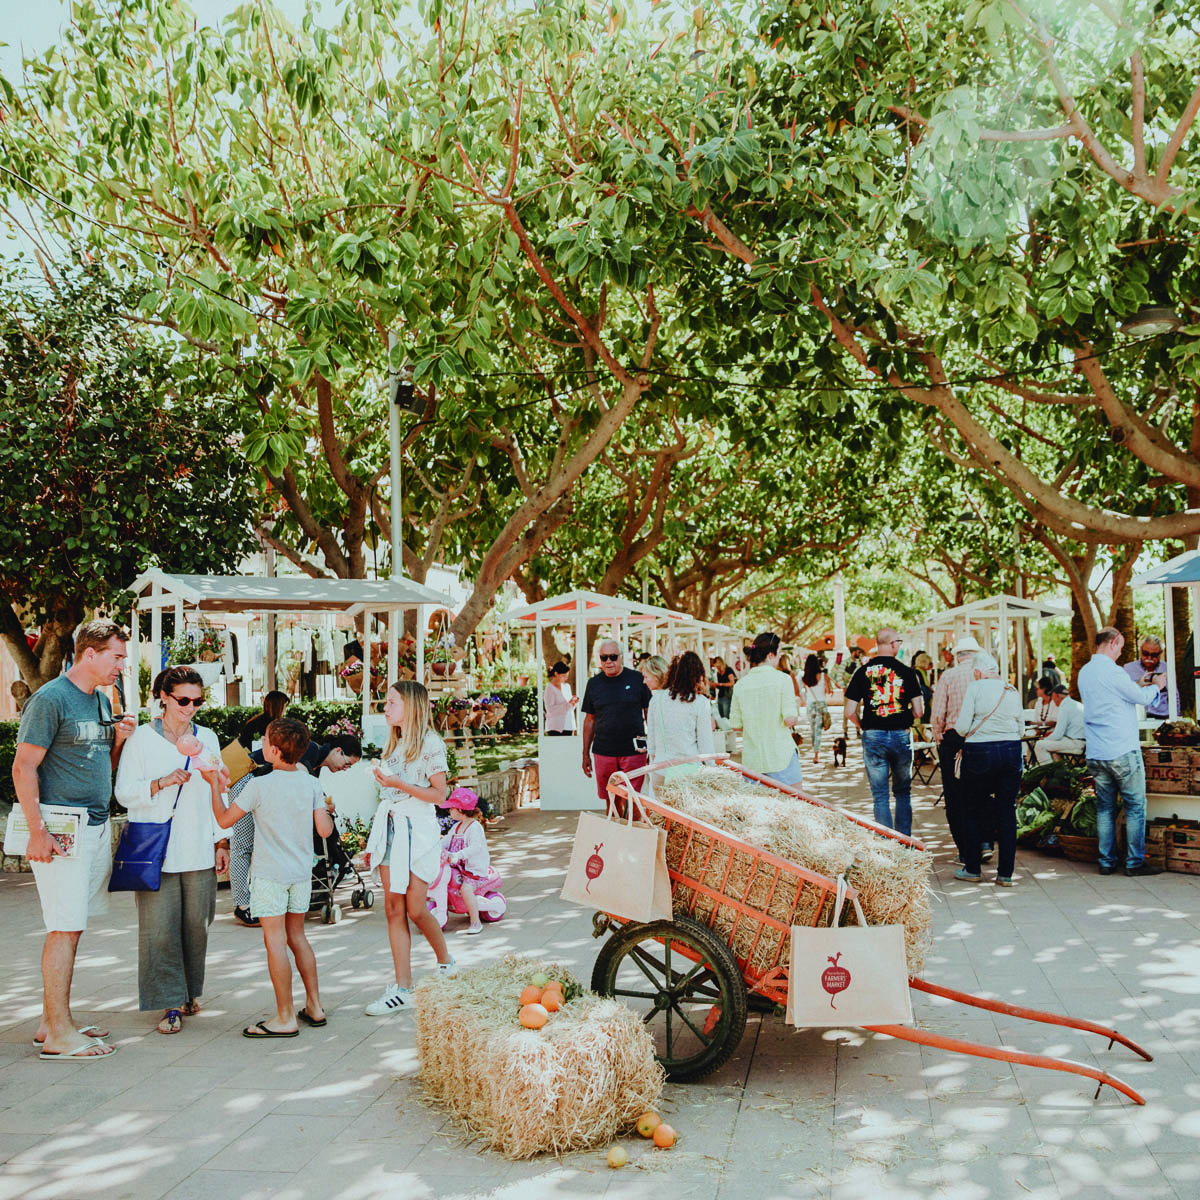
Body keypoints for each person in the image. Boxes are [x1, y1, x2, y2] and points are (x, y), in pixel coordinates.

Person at [12, 618, 137, 1061]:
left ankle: (53, 1021)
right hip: (62, 826)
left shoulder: (100, 700)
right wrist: (38, 832)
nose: (122, 664)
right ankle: (60, 1034)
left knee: (73, 923)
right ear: (90, 653)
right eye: (116, 656)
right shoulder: (50, 699)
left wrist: (119, 740)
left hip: (95, 824)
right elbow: (23, 767)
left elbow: (102, 761)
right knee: (63, 927)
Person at [114, 667, 230, 1034]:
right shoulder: (141, 741)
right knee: (159, 930)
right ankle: (169, 1003)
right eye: (183, 700)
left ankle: (189, 992)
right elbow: (123, 793)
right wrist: (161, 783)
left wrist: (221, 840)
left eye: (198, 701)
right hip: (155, 847)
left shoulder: (207, 737)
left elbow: (220, 792)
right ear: (163, 697)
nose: (190, 707)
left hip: (198, 843)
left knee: (198, 926)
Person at [210, 717, 331, 1036]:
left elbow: (225, 820)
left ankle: (285, 1016)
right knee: (298, 938)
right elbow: (324, 829)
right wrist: (324, 809)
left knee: (275, 942)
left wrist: (213, 785)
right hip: (301, 874)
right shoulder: (311, 783)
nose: (261, 745)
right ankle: (315, 1006)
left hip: (269, 877)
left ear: (274, 751)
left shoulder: (257, 785)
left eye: (264, 741)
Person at [363, 681, 456, 1014]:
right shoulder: (395, 743)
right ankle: (402, 987)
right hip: (392, 828)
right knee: (392, 908)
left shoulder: (430, 744)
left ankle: (446, 961)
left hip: (417, 831)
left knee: (416, 908)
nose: (385, 708)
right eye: (385, 702)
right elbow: (392, 794)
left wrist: (397, 784)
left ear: (412, 706)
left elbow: (439, 794)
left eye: (392, 702)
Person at [229, 731, 362, 928]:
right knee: (243, 845)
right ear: (338, 750)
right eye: (347, 763)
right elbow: (299, 783)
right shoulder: (309, 750)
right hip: (246, 779)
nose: (345, 769)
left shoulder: (315, 765)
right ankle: (243, 906)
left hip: (260, 788)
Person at [1078, 627, 1165, 877]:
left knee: (1105, 808)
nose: (1121, 652)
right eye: (1121, 646)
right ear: (1113, 642)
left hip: (1096, 751)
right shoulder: (1113, 671)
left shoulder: (1085, 672)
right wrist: (1157, 685)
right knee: (1136, 806)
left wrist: (1136, 685)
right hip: (1121, 749)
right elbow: (1141, 698)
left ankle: (1106, 861)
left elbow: (1116, 697)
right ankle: (1135, 862)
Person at [951, 652, 1024, 885]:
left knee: (971, 808)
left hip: (980, 752)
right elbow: (1021, 729)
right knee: (1006, 810)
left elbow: (962, 728)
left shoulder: (975, 687)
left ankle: (972, 868)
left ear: (977, 672)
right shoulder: (1011, 690)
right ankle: (1006, 874)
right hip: (1012, 751)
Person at [844, 628, 923, 835]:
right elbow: (919, 711)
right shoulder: (908, 672)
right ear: (893, 644)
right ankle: (904, 842)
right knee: (903, 792)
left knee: (880, 795)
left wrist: (862, 726)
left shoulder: (862, 672)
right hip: (900, 735)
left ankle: (886, 844)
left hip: (873, 735)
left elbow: (849, 711)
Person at [929, 635, 989, 866]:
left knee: (955, 795)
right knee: (982, 790)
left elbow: (938, 712)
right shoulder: (985, 675)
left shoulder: (949, 676)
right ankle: (984, 841)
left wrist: (938, 734)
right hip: (982, 738)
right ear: (975, 655)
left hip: (954, 739)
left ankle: (965, 850)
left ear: (957, 656)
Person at [580, 640, 652, 801]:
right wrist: (585, 753)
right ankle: (614, 826)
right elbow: (589, 720)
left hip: (634, 751)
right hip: (604, 751)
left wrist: (653, 747)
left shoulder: (638, 679)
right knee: (611, 799)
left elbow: (649, 714)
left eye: (613, 657)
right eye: (604, 657)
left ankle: (631, 827)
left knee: (633, 800)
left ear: (621, 657)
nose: (608, 662)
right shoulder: (593, 684)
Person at [729, 632, 803, 786]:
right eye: (779, 652)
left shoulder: (740, 685)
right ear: (771, 655)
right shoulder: (783, 680)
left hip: (752, 762)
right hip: (781, 757)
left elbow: (736, 725)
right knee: (794, 804)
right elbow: (790, 719)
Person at [646, 651, 716, 787]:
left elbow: (652, 741)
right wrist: (712, 768)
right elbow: (705, 743)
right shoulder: (700, 702)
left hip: (661, 769)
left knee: (659, 808)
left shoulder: (657, 699)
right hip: (689, 773)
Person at [441, 786, 491, 934]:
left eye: (451, 808)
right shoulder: (456, 827)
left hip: (473, 871)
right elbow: (446, 842)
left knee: (466, 889)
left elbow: (476, 847)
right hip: (459, 869)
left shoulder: (474, 828)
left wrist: (458, 855)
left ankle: (475, 922)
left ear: (461, 810)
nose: (449, 811)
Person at [1121, 635, 1178, 720]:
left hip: (1162, 716)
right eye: (1145, 653)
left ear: (1160, 653)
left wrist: (1176, 716)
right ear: (1141, 650)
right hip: (1136, 717)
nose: (1149, 658)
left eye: (1154, 655)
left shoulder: (1167, 668)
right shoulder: (1129, 669)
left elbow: (1174, 695)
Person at [1034, 685, 1086, 764]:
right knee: (1053, 749)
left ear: (1056, 695)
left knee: (1039, 745)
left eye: (1052, 697)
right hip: (1082, 743)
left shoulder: (1064, 707)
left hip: (1076, 743)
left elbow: (1058, 734)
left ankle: (1049, 773)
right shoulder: (1076, 704)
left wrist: (1044, 739)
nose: (1053, 701)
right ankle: (1059, 771)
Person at [801, 654, 833, 765]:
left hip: (810, 706)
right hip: (821, 705)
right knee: (818, 730)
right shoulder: (824, 676)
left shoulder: (804, 678)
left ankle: (815, 750)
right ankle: (816, 754)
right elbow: (828, 692)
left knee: (813, 729)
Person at [543, 661, 578, 735]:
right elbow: (550, 710)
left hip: (569, 726)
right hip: (555, 728)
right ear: (556, 674)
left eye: (566, 676)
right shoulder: (549, 689)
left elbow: (569, 708)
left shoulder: (567, 687)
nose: (566, 678)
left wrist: (573, 703)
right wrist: (569, 704)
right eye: (564, 675)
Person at [712, 657, 736, 721]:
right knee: (721, 716)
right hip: (720, 696)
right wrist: (715, 685)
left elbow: (732, 683)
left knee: (726, 716)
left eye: (717, 665)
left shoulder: (728, 670)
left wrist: (720, 684)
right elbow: (720, 686)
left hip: (727, 695)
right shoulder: (718, 673)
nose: (717, 667)